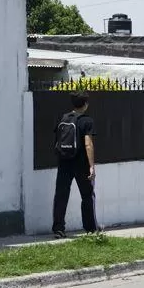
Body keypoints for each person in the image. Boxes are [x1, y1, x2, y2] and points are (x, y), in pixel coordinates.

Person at [52, 90, 99, 238]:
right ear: (85, 104)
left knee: (61, 195)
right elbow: (88, 144)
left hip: (64, 162)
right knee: (87, 195)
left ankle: (59, 229)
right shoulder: (87, 121)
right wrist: (91, 165)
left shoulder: (63, 118)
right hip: (81, 164)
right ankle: (90, 229)